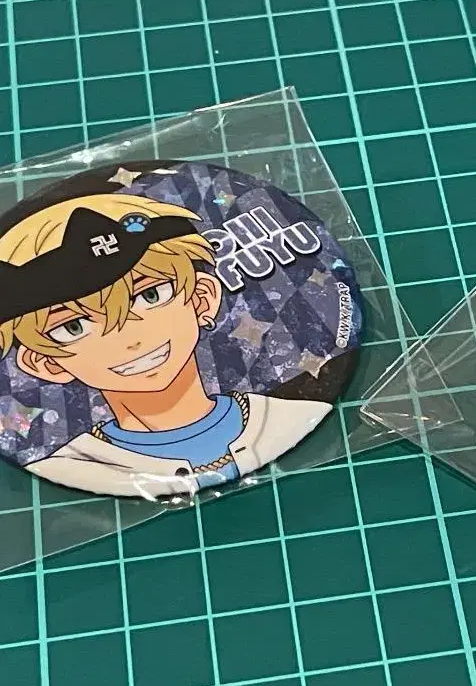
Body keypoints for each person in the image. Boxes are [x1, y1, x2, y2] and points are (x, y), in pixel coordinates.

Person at [0, 176, 335, 498]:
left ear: (201, 298)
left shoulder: (284, 417)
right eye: (73, 327)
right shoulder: (76, 465)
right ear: (44, 362)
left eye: (150, 295)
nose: (129, 337)